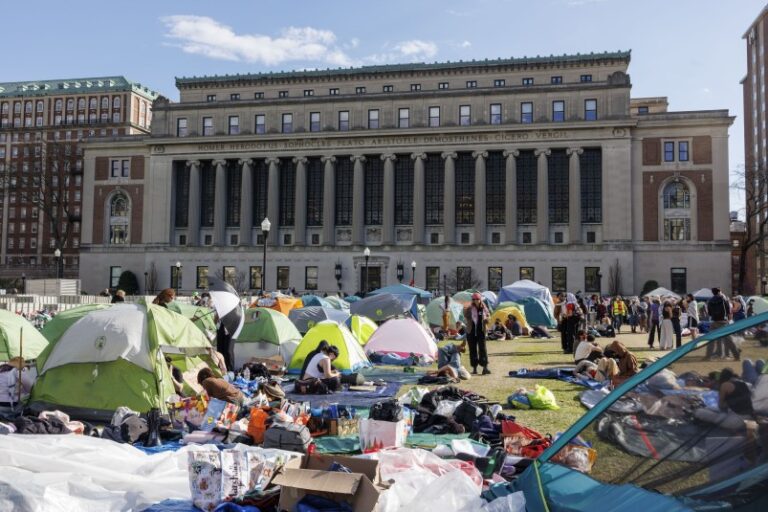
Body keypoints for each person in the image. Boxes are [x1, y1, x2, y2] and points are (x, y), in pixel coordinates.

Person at [706, 288, 739, 360]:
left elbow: (709, 313)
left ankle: (708, 356)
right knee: (729, 340)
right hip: (723, 321)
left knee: (711, 340)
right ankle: (737, 356)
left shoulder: (710, 301)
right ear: (719, 292)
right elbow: (728, 310)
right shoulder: (724, 299)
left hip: (714, 321)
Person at [464, 292, 491, 375]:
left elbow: (488, 316)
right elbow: (466, 316)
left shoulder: (484, 308)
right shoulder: (469, 308)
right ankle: (474, 368)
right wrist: (467, 309)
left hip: (481, 331)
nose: (475, 300)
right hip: (471, 331)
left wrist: (487, 319)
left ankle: (485, 367)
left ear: (480, 300)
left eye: (477, 299)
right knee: (472, 349)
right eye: (474, 299)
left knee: (482, 349)